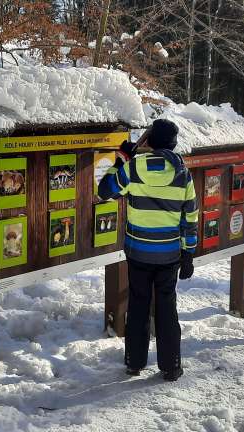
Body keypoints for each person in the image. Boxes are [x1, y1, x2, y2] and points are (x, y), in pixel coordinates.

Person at [97, 119, 197, 382]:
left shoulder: (133, 168)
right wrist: (188, 253)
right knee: (167, 308)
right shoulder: (182, 172)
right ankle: (171, 366)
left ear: (149, 142)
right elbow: (191, 215)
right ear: (174, 144)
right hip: (170, 254)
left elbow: (104, 191)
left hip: (138, 252)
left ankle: (134, 362)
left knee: (139, 304)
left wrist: (121, 159)